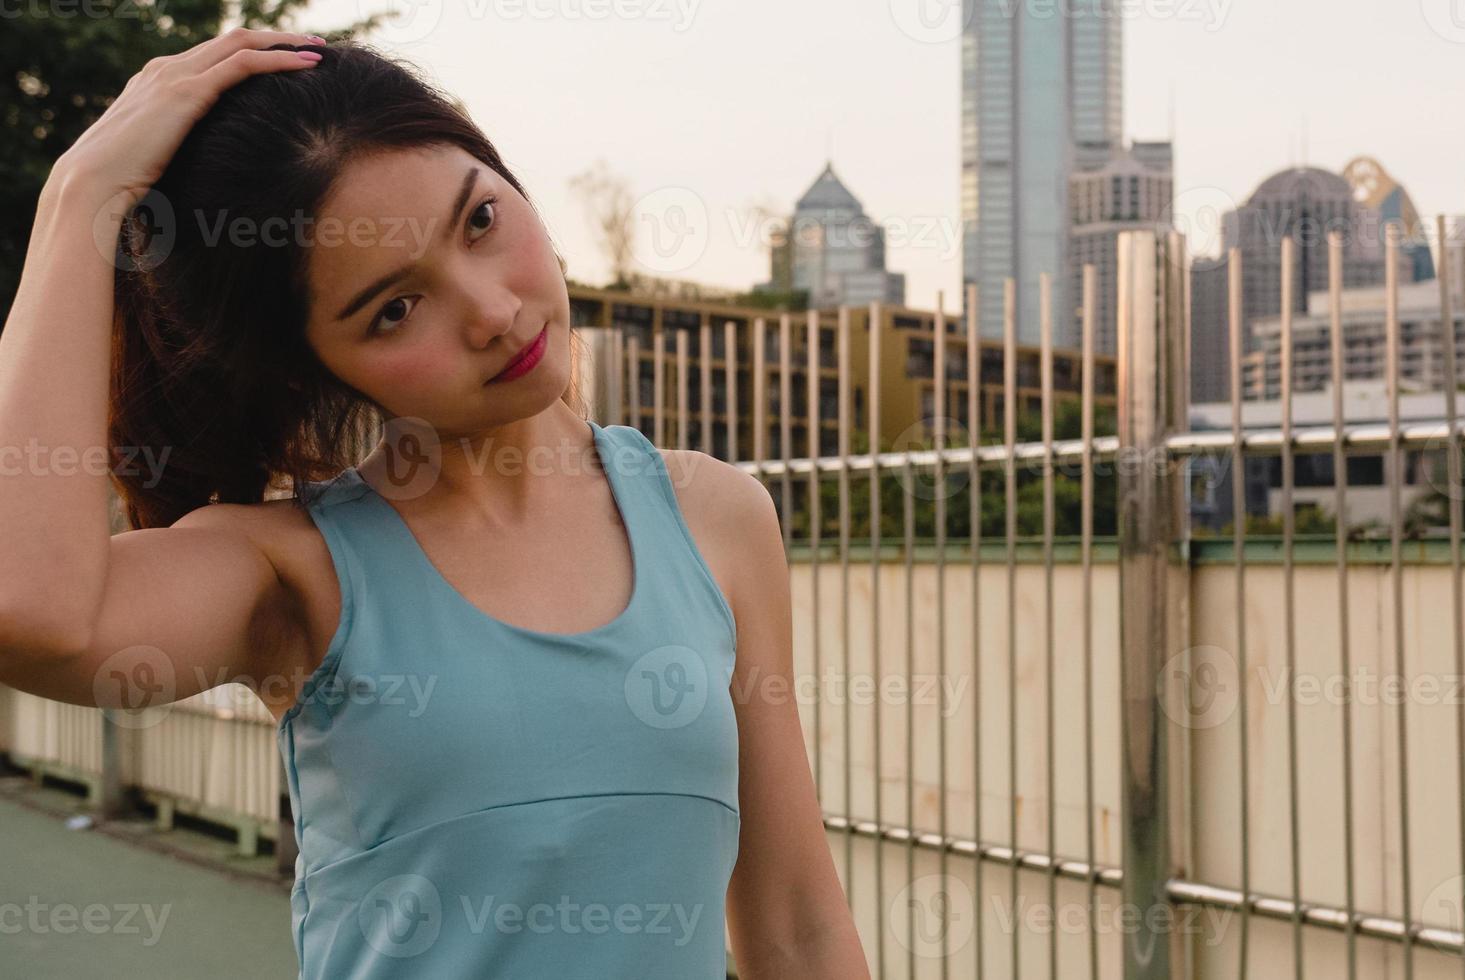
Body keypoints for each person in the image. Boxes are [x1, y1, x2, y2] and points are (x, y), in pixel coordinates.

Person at [0, 29, 867, 979]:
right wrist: (77, 197)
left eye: (481, 221)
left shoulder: (716, 517)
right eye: (394, 309)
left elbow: (794, 924)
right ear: (312, 369)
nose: (492, 311)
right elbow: (30, 612)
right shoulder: (292, 573)